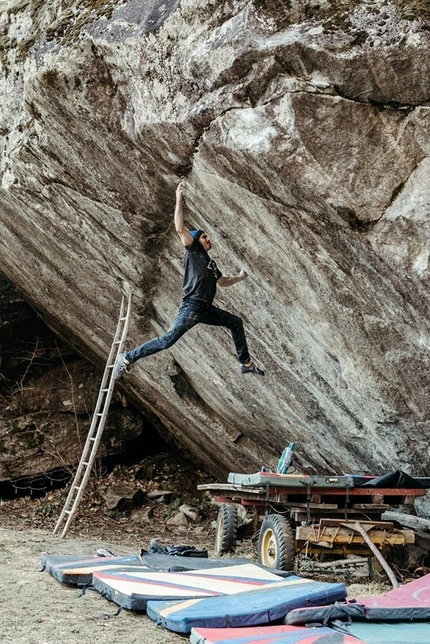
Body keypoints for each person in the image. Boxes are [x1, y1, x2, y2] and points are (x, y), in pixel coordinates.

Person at [113, 182, 264, 380]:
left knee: (235, 322)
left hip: (206, 309)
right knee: (167, 340)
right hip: (192, 307)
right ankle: (126, 358)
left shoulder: (211, 264)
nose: (208, 240)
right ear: (196, 241)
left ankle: (245, 363)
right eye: (204, 237)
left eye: (208, 237)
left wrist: (240, 277)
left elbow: (223, 282)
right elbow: (179, 229)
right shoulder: (194, 251)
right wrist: (178, 200)